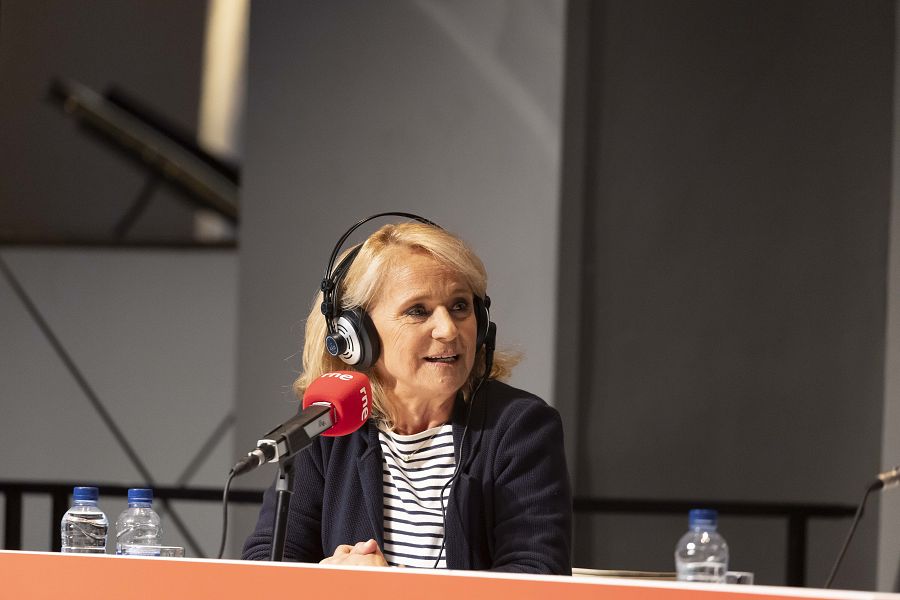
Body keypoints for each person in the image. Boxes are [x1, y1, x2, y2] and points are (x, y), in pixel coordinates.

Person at [242, 219, 572, 573]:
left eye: (460, 306)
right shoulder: (328, 421)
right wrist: (329, 579)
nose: (448, 329)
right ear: (356, 336)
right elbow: (267, 560)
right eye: (418, 310)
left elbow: (536, 577)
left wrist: (390, 590)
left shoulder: (519, 428)